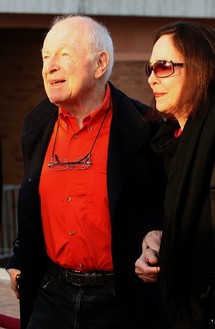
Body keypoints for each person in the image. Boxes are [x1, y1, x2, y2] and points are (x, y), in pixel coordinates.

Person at [6, 14, 166, 329]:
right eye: (45, 56)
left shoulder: (145, 126)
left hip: (118, 299)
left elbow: (160, 203)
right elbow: (33, 204)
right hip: (50, 295)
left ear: (99, 63)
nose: (49, 66)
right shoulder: (36, 123)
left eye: (64, 54)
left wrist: (154, 236)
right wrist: (19, 258)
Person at [135, 21, 215, 329]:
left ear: (200, 68)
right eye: (150, 69)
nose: (153, 79)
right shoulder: (167, 141)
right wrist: (151, 239)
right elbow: (159, 207)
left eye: (164, 67)